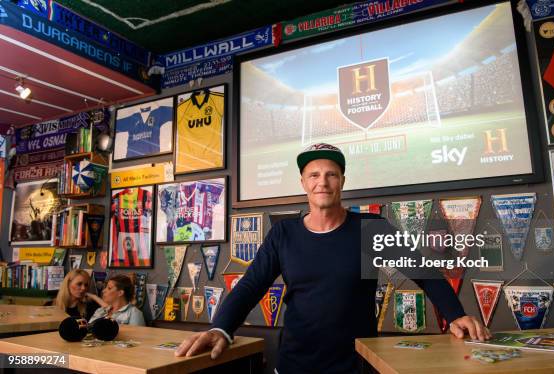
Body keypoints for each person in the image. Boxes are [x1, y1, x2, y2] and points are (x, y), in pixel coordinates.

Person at [176, 143, 491, 373]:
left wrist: (455, 314)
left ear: (342, 181)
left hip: (356, 363)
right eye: (313, 175)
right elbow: (250, 286)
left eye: (331, 174)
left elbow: (422, 270)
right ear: (303, 183)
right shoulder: (283, 234)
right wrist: (220, 328)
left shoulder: (371, 229)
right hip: (295, 364)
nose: (322, 182)